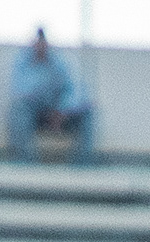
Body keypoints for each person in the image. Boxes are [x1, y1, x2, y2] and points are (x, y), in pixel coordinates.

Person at [6, 28, 92, 163]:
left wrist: (61, 111)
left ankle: (83, 163)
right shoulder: (23, 63)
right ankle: (25, 160)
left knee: (88, 113)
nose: (40, 46)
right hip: (37, 114)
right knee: (19, 110)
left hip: (62, 113)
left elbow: (74, 90)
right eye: (37, 43)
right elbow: (21, 92)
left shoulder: (61, 62)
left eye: (43, 43)